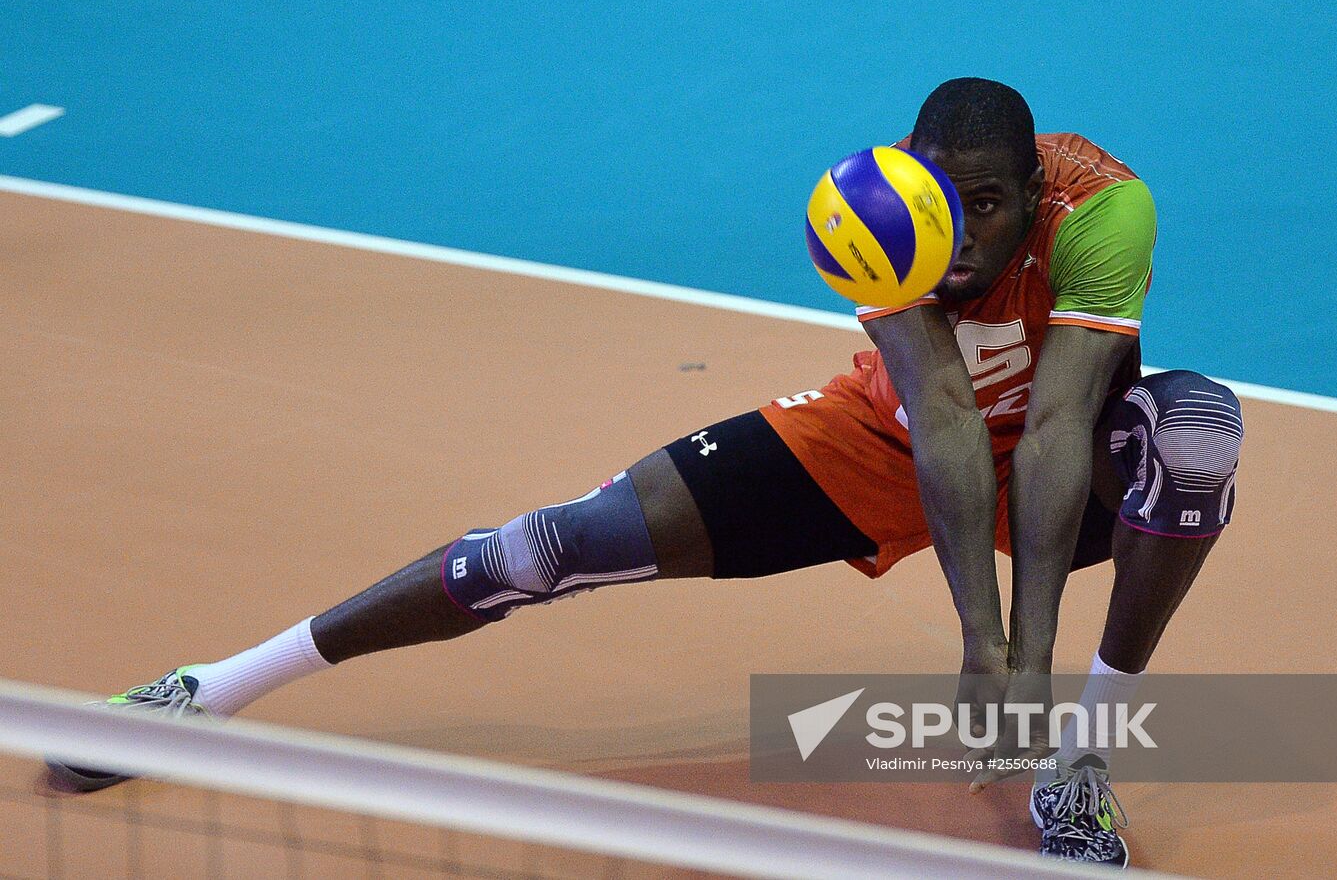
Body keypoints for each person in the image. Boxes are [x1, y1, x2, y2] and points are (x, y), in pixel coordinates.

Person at [50, 78, 1243, 867]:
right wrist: (977, 647)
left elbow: (1047, 430)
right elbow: (935, 410)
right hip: (881, 439)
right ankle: (211, 688)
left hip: (1062, 447)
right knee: (542, 547)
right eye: (949, 201)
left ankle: (1076, 769)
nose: (965, 234)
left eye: (989, 207)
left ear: (1031, 193)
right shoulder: (878, 207)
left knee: (1193, 433)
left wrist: (1026, 664)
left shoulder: (1102, 210)